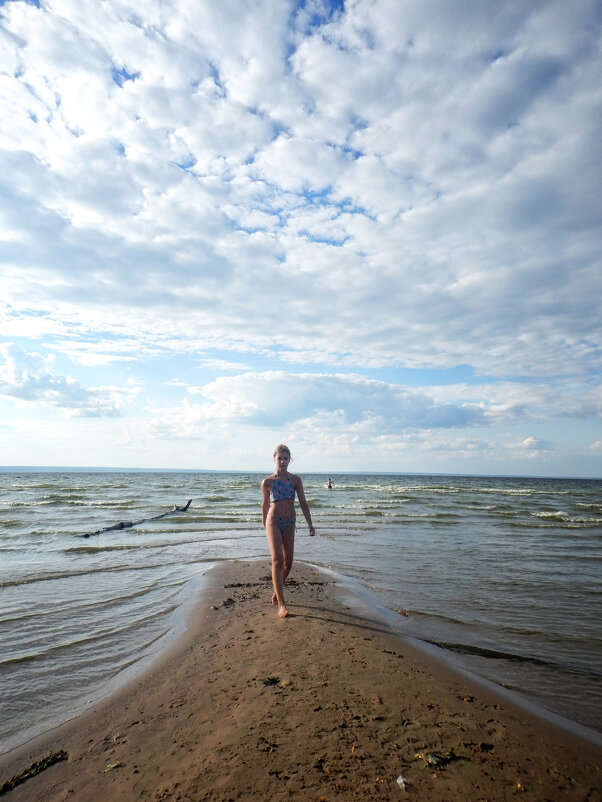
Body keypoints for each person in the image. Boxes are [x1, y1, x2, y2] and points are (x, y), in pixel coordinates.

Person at [261, 444, 315, 618]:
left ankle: (277, 591)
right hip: (274, 521)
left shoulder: (295, 480)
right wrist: (265, 525)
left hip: (290, 522)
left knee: (288, 563)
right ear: (274, 459)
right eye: (280, 458)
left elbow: (303, 503)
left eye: (286, 458)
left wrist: (310, 524)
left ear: (289, 460)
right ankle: (282, 605)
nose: (282, 462)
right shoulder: (268, 482)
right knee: (277, 560)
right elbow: (265, 505)